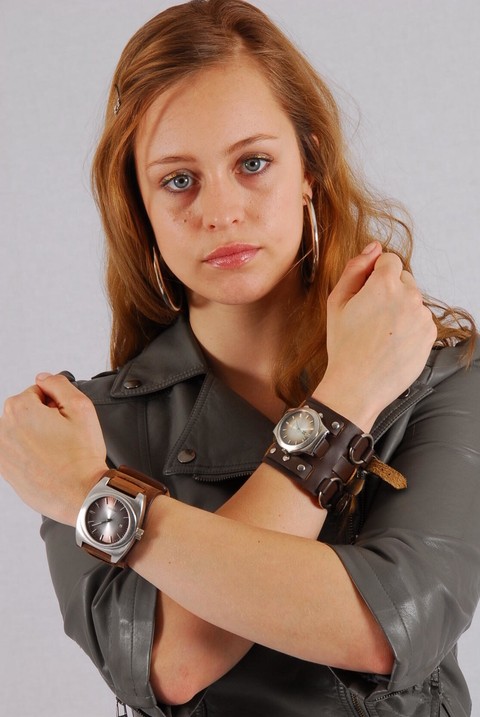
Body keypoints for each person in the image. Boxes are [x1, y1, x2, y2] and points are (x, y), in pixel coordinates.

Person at [1, 0, 479, 715]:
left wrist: (93, 499)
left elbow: (384, 626)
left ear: (310, 165)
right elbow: (176, 662)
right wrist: (346, 398)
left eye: (252, 163)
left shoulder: (437, 373)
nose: (221, 210)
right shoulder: (88, 425)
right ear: (142, 206)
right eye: (178, 179)